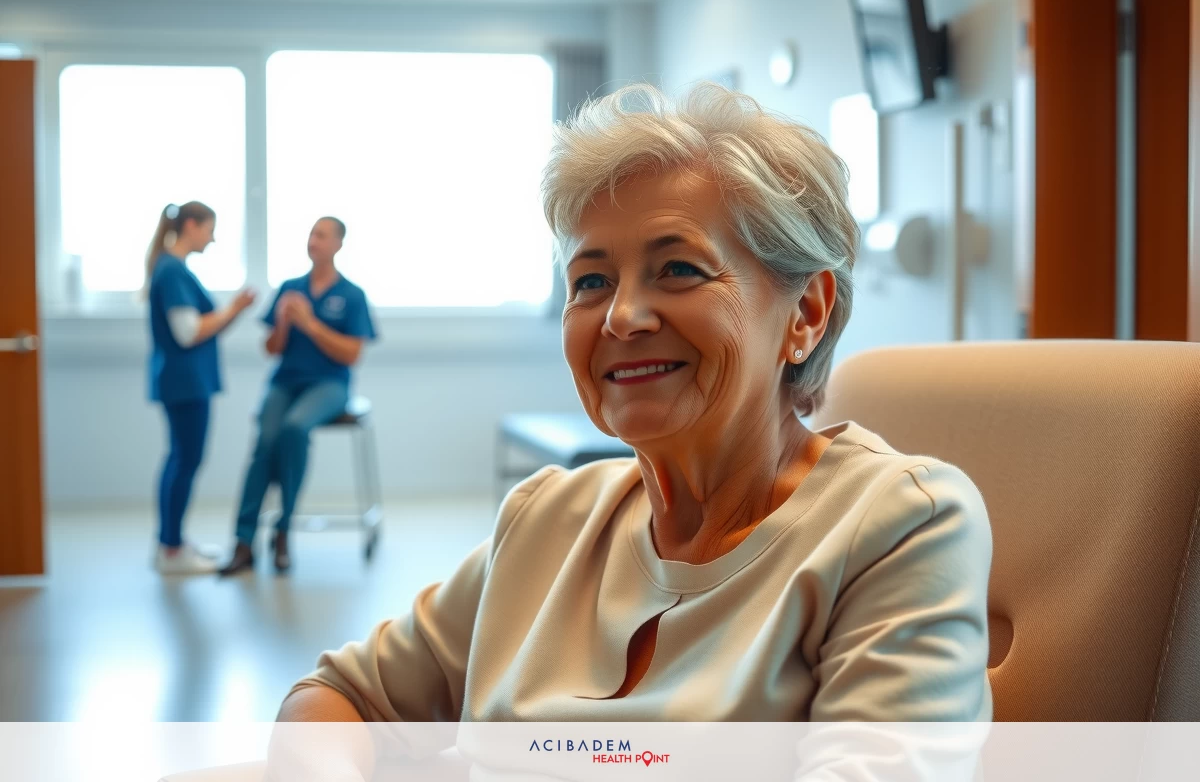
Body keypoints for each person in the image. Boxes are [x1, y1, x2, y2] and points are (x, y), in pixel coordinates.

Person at [274, 84, 991, 748]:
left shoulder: (899, 527)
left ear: (804, 314)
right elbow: (336, 696)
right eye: (591, 281)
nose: (621, 317)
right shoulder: (547, 517)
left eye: (677, 269)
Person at [219, 217, 377, 576]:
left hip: (329, 385)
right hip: (285, 382)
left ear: (338, 244)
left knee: (294, 429)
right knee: (265, 441)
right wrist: (285, 323)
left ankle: (282, 530)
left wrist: (311, 324)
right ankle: (244, 542)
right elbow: (271, 349)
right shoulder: (291, 289)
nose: (313, 241)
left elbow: (352, 354)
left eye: (321, 235)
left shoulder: (351, 295)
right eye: (311, 234)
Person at [146, 201, 256, 574]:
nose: (213, 238)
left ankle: (172, 543)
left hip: (187, 381)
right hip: (185, 383)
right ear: (191, 225)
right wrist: (233, 308)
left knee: (179, 460)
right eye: (210, 229)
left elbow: (201, 325)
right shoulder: (172, 271)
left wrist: (233, 312)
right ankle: (171, 550)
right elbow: (189, 332)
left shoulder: (172, 268)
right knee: (184, 461)